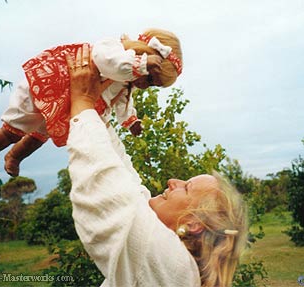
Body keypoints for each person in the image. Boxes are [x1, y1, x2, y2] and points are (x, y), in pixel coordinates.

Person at [66, 44, 248, 287]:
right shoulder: (178, 266)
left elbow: (105, 191)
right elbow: (126, 181)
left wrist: (83, 103)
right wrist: (100, 112)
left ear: (193, 224)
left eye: (186, 188)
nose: (173, 182)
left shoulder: (170, 264)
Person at [0, 28, 183, 176]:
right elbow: (107, 63)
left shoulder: (130, 79)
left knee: (39, 136)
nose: (145, 84)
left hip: (66, 104)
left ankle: (15, 157)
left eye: (152, 84)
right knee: (14, 129)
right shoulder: (115, 49)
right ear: (144, 51)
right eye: (149, 79)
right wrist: (141, 64)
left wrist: (130, 120)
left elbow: (122, 102)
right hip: (49, 87)